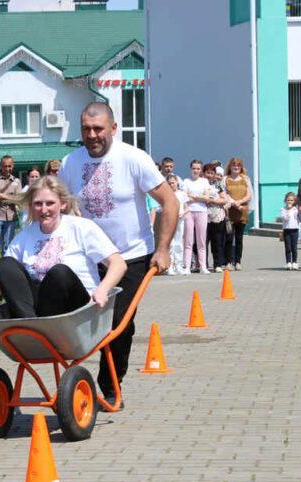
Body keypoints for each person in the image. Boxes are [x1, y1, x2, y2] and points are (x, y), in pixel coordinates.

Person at [58, 102, 179, 407]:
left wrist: (163, 249)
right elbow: (58, 208)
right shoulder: (70, 163)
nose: (92, 134)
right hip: (89, 258)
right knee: (80, 318)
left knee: (118, 321)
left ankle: (110, 385)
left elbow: (170, 203)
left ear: (113, 128)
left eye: (98, 128)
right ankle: (77, 381)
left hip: (132, 257)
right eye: (86, 128)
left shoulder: (133, 159)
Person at [0, 176, 126, 319]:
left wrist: (103, 289)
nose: (44, 210)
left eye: (50, 203)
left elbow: (118, 264)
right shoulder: (25, 236)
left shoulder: (82, 228)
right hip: (39, 310)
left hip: (77, 310)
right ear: (31, 206)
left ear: (63, 203)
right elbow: (4, 275)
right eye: (38, 204)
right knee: (5, 264)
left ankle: (38, 329)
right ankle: (31, 326)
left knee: (59, 273)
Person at [0, 155, 22, 255]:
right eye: (5, 166)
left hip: (11, 217)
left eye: (9, 166)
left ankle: (5, 266)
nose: (7, 168)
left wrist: (2, 195)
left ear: (13, 166)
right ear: (1, 166)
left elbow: (19, 199)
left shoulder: (16, 181)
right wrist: (11, 197)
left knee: (9, 246)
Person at [223, 157, 252, 271]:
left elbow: (249, 194)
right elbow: (224, 193)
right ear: (230, 167)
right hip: (230, 211)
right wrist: (233, 202)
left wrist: (240, 202)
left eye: (238, 165)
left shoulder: (245, 178)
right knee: (229, 238)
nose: (236, 167)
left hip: (241, 210)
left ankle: (238, 261)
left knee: (239, 238)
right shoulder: (225, 179)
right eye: (234, 165)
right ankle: (228, 261)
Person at [182, 160, 210, 274]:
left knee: (201, 240)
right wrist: (199, 197)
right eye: (194, 168)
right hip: (189, 211)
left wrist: (193, 196)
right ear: (191, 169)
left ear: (201, 170)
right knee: (188, 240)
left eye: (198, 169)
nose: (196, 171)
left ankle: (203, 266)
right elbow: (185, 197)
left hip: (202, 211)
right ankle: (187, 266)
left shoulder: (204, 181)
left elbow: (207, 198)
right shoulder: (186, 181)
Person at [203, 163, 229, 272]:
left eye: (211, 173)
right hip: (202, 215)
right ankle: (203, 264)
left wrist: (213, 201)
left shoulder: (217, 184)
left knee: (217, 241)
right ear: (203, 173)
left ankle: (217, 264)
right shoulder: (200, 184)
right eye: (207, 173)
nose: (209, 175)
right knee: (203, 241)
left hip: (216, 216)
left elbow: (224, 199)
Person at [167, 175, 189, 275]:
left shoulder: (182, 194)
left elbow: (186, 208)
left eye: (173, 182)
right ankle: (170, 266)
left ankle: (179, 265)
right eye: (170, 183)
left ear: (177, 182)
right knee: (170, 243)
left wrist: (183, 213)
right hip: (169, 221)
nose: (172, 185)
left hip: (180, 220)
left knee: (179, 242)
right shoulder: (167, 194)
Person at [280, 192, 300, 270]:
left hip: (295, 230)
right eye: (288, 200)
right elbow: (285, 218)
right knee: (288, 247)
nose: (290, 202)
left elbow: (300, 218)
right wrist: (288, 210)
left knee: (294, 247)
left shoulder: (296, 209)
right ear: (285, 201)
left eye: (291, 200)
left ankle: (294, 262)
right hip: (287, 230)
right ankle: (288, 262)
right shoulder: (283, 209)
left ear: (294, 201)